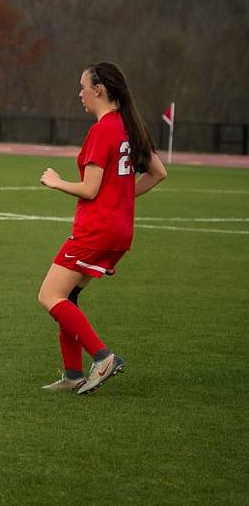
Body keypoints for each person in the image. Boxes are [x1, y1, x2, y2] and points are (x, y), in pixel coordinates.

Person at [37, 62, 167, 394]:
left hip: (96, 229)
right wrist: (122, 197)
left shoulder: (102, 130)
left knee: (49, 295)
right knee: (69, 295)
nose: (79, 93)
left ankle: (103, 357)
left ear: (99, 90)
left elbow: (90, 189)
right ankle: (72, 375)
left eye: (82, 87)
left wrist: (55, 182)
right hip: (120, 230)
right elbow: (158, 173)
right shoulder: (130, 125)